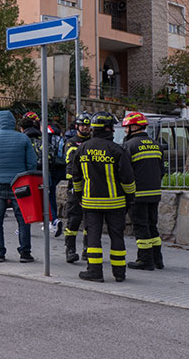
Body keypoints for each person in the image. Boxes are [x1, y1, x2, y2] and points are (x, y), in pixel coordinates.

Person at [72, 111, 135, 283]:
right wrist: (130, 198)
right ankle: (119, 273)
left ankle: (94, 272)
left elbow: (75, 177)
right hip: (116, 203)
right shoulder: (117, 150)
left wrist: (79, 196)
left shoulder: (82, 149)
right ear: (108, 129)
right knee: (117, 237)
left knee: (93, 236)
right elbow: (128, 179)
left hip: (91, 202)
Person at [0, 110, 36, 263]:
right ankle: (25, 252)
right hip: (19, 185)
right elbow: (32, 163)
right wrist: (25, 179)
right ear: (13, 123)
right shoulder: (23, 139)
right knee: (23, 219)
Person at [121, 112, 165, 271]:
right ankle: (157, 259)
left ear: (134, 126)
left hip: (137, 195)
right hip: (154, 194)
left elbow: (125, 172)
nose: (126, 131)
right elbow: (162, 171)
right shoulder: (156, 145)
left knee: (141, 227)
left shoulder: (129, 146)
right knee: (153, 226)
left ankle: (145, 260)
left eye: (127, 128)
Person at [63, 111, 92, 263]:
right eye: (82, 125)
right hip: (75, 186)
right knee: (74, 219)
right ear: (77, 126)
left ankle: (87, 250)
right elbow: (71, 164)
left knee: (90, 220)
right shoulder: (72, 142)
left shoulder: (93, 141)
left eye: (87, 125)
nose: (85, 128)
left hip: (90, 186)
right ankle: (70, 249)